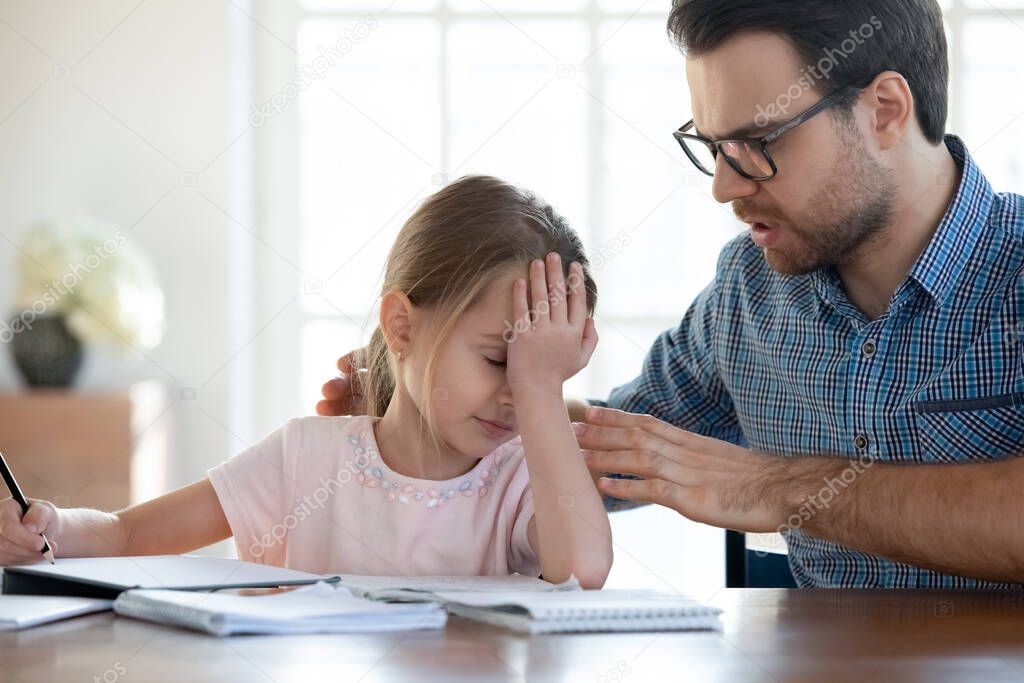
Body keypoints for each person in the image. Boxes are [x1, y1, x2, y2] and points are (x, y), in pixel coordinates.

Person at [321, 0, 1024, 588]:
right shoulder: (748, 294)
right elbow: (616, 449)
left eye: (756, 142)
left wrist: (773, 486)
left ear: (885, 110)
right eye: (712, 146)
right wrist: (433, 410)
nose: (722, 185)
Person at [0, 176, 613, 588]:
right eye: (503, 362)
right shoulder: (305, 459)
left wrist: (540, 394)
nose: (519, 393)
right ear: (403, 326)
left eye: (547, 371)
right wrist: (52, 527)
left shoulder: (523, 479)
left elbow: (584, 568)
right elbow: (129, 533)